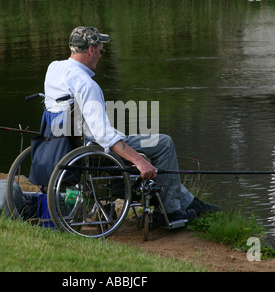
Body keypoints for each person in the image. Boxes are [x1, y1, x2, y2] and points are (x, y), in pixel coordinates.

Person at [43, 26, 218, 222]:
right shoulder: (86, 84)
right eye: (101, 50)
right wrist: (139, 161)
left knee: (142, 147)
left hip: (62, 146)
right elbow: (104, 136)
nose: (101, 55)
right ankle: (170, 212)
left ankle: (191, 202)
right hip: (94, 151)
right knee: (163, 144)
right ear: (91, 50)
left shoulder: (54, 68)